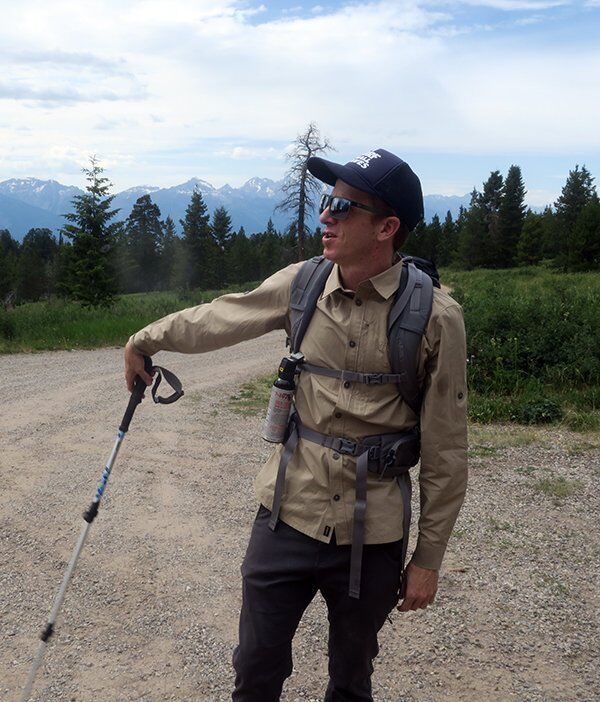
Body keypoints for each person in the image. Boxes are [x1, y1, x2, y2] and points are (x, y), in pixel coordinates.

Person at [124, 148, 468, 702]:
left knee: (351, 680)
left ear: (387, 228)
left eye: (343, 207)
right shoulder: (302, 284)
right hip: (286, 513)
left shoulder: (435, 317)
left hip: (372, 533)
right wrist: (147, 338)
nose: (325, 217)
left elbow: (448, 451)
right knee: (256, 668)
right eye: (328, 203)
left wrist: (427, 559)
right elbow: (220, 316)